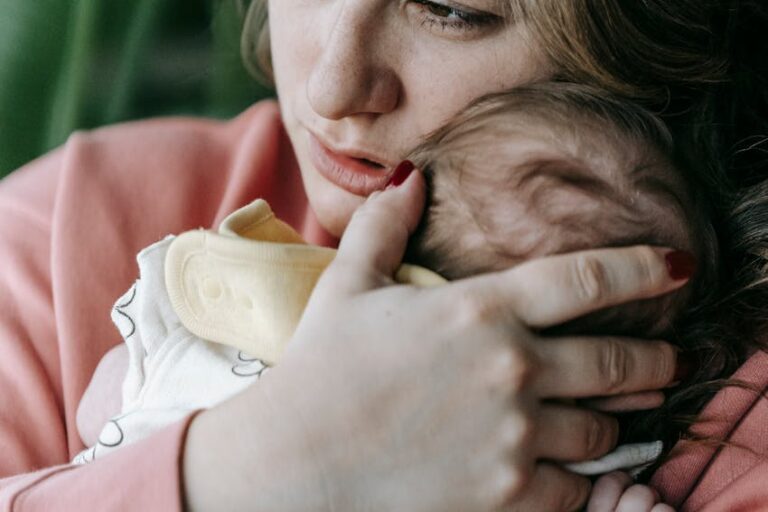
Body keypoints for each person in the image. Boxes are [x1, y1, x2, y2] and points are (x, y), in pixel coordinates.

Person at [0, 2, 765, 511]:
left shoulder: (742, 419)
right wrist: (264, 463)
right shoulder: (68, 226)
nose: (333, 87)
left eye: (451, 8)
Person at [75, 83, 697, 510]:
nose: (333, 88)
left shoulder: (264, 319)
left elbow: (101, 412)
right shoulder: (571, 475)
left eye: (455, 10)